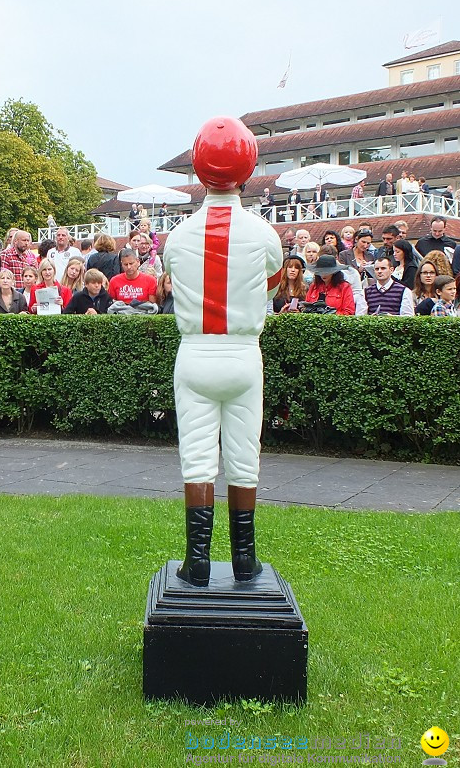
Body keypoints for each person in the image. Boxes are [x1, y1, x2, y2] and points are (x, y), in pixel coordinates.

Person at [162, 116, 283, 587]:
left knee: (196, 457)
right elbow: (271, 284)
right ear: (248, 169)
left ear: (198, 167)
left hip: (194, 351)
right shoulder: (264, 234)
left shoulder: (177, 235)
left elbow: (172, 277)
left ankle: (196, 561)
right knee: (243, 456)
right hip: (242, 352)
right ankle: (244, 559)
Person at [107, 248, 158, 314]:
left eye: (131, 263)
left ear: (138, 262)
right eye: (126, 264)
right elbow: (112, 304)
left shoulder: (150, 280)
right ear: (121, 264)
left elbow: (152, 305)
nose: (128, 267)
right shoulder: (114, 281)